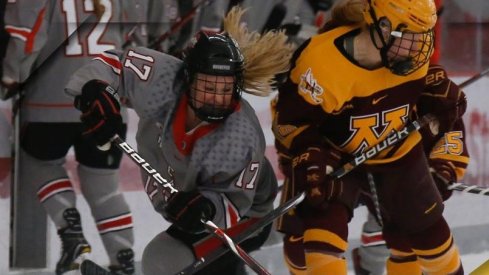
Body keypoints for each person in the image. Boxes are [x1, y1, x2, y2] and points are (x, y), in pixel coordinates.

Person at [66, 7, 293, 275]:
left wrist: (208, 206)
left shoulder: (240, 134)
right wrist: (96, 89)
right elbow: (114, 65)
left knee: (162, 258)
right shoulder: (164, 79)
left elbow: (234, 203)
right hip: (191, 198)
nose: (216, 98)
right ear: (187, 78)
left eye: (225, 90)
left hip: (248, 214)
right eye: (208, 87)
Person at [271, 0, 468, 274]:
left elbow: (432, 106)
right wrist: (310, 158)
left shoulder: (412, 58)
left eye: (422, 38)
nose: (418, 50)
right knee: (312, 242)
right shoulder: (322, 62)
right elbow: (289, 123)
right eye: (409, 38)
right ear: (382, 28)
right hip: (336, 156)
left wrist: (437, 105)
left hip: (396, 152)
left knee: (431, 238)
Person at [1, 1, 141, 274]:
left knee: (38, 164)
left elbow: (27, 36)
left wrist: (11, 76)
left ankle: (71, 232)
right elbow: (133, 36)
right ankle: (122, 257)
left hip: (50, 99)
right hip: (107, 104)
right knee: (104, 184)